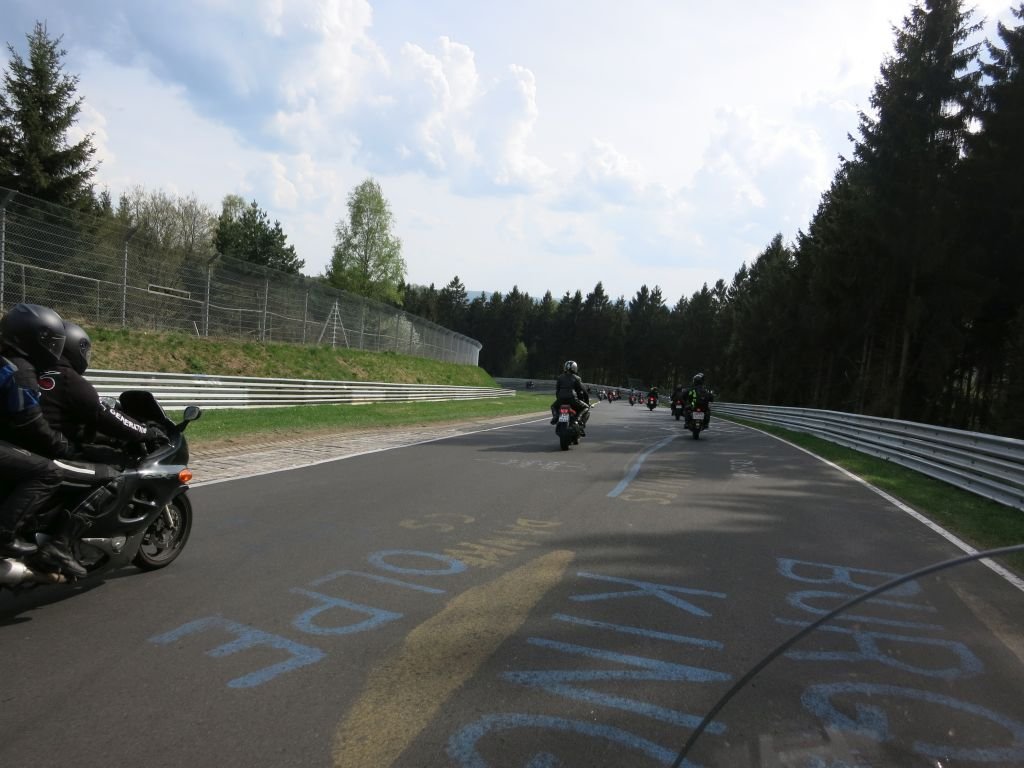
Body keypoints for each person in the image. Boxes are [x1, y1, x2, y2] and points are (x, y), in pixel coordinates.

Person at [0, 303, 86, 576]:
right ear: (33, 338)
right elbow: (30, 423)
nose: (53, 348)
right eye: (50, 341)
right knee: (48, 472)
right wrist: (63, 446)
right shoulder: (20, 369)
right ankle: (4, 535)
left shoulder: (7, 360)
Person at [39, 321, 161, 450]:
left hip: (39, 445)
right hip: (55, 451)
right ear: (74, 349)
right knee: (116, 461)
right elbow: (107, 418)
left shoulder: (35, 373)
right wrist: (148, 433)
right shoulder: (69, 380)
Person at [549, 360, 591, 435]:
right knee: (586, 407)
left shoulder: (560, 378)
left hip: (561, 400)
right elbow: (583, 391)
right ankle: (579, 420)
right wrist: (587, 402)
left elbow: (557, 391)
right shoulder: (577, 378)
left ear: (565, 368)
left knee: (553, 406)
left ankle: (555, 417)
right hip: (572, 399)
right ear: (575, 368)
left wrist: (559, 400)